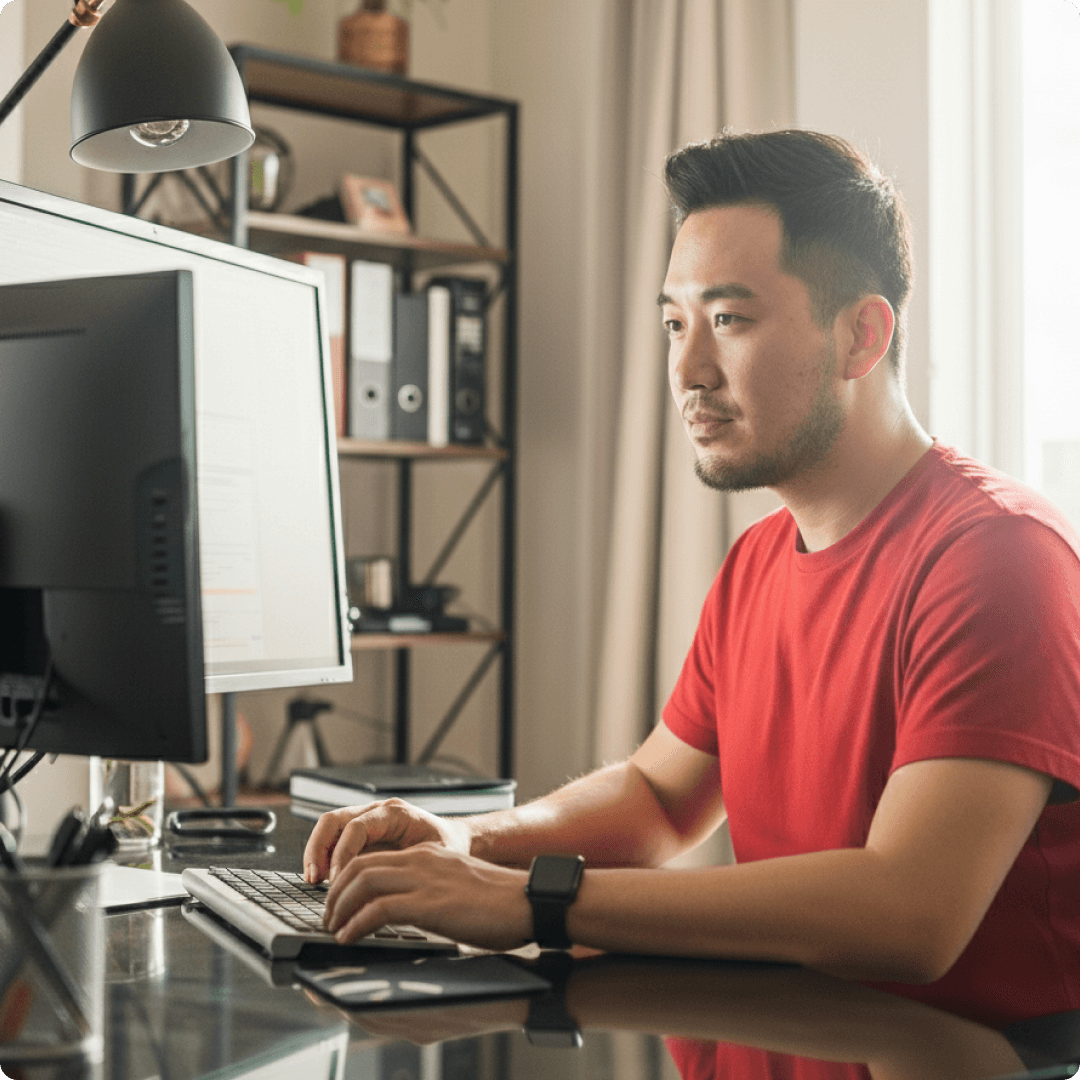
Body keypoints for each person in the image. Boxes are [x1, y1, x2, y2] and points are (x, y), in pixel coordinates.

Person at [304, 130, 1080, 1028]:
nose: (686, 372)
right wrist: (468, 839)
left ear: (861, 334)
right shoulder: (758, 561)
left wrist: (531, 900)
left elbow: (906, 913)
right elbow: (659, 799)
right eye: (675, 323)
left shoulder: (1000, 557)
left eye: (729, 320)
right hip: (775, 1030)